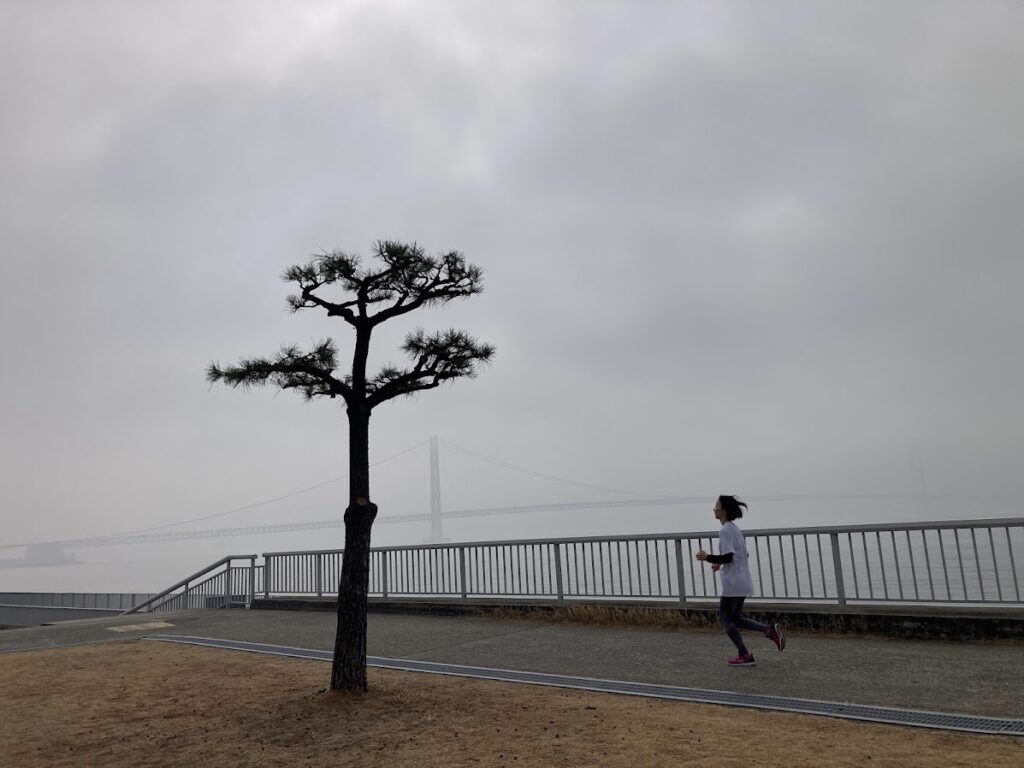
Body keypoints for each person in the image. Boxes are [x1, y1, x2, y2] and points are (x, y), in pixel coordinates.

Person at [696, 495, 785, 666]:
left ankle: (744, 655)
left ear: (724, 510)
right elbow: (742, 555)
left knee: (726, 619)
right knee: (736, 618)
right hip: (742, 581)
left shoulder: (725, 530)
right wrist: (718, 563)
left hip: (733, 584)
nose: (714, 509)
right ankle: (768, 630)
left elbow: (729, 557)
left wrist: (708, 557)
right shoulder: (735, 529)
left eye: (717, 506)